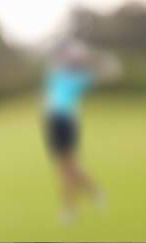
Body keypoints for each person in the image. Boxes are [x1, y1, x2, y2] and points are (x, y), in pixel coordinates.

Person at [44, 39, 121, 224]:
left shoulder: (81, 78)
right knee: (66, 168)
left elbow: (107, 75)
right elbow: (56, 57)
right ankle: (95, 193)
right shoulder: (57, 71)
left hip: (67, 123)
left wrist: (92, 59)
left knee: (67, 169)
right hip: (53, 123)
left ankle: (71, 210)